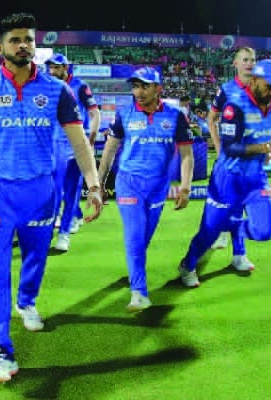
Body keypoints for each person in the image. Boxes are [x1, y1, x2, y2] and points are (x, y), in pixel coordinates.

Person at [0, 12, 103, 384]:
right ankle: (1, 352)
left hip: (39, 192)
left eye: (29, 40)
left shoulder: (56, 90)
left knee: (36, 256)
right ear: (0, 47)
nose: (25, 45)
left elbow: (79, 141)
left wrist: (94, 184)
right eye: (16, 39)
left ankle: (27, 301)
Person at [178, 59, 271, 288]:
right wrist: (268, 147)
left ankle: (229, 226)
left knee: (264, 231)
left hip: (256, 178)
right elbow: (230, 148)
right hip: (227, 179)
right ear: (256, 80)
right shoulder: (235, 106)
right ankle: (187, 264)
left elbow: (268, 129)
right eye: (270, 86)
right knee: (208, 233)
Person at [98, 66, 194, 311]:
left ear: (158, 88)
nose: (138, 92)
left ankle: (134, 269)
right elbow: (109, 150)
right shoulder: (125, 114)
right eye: (135, 86)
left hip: (158, 187)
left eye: (145, 86)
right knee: (135, 235)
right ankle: (139, 292)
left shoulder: (175, 116)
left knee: (143, 239)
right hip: (129, 183)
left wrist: (185, 187)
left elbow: (186, 154)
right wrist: (97, 184)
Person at [45, 53, 101, 251]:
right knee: (53, 192)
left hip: (75, 144)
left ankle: (64, 234)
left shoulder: (79, 85)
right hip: (53, 145)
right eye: (50, 67)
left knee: (72, 191)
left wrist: (91, 138)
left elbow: (94, 113)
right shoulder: (46, 86)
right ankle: (48, 230)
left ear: (65, 67)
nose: (52, 71)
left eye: (56, 67)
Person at [207, 47, 256, 271]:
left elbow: (270, 118)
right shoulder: (226, 90)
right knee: (227, 202)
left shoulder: (260, 88)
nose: (249, 63)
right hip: (229, 159)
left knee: (240, 206)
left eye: (252, 60)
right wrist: (218, 147)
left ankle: (234, 248)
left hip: (250, 159)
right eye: (245, 60)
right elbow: (212, 118)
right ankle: (232, 246)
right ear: (236, 64)